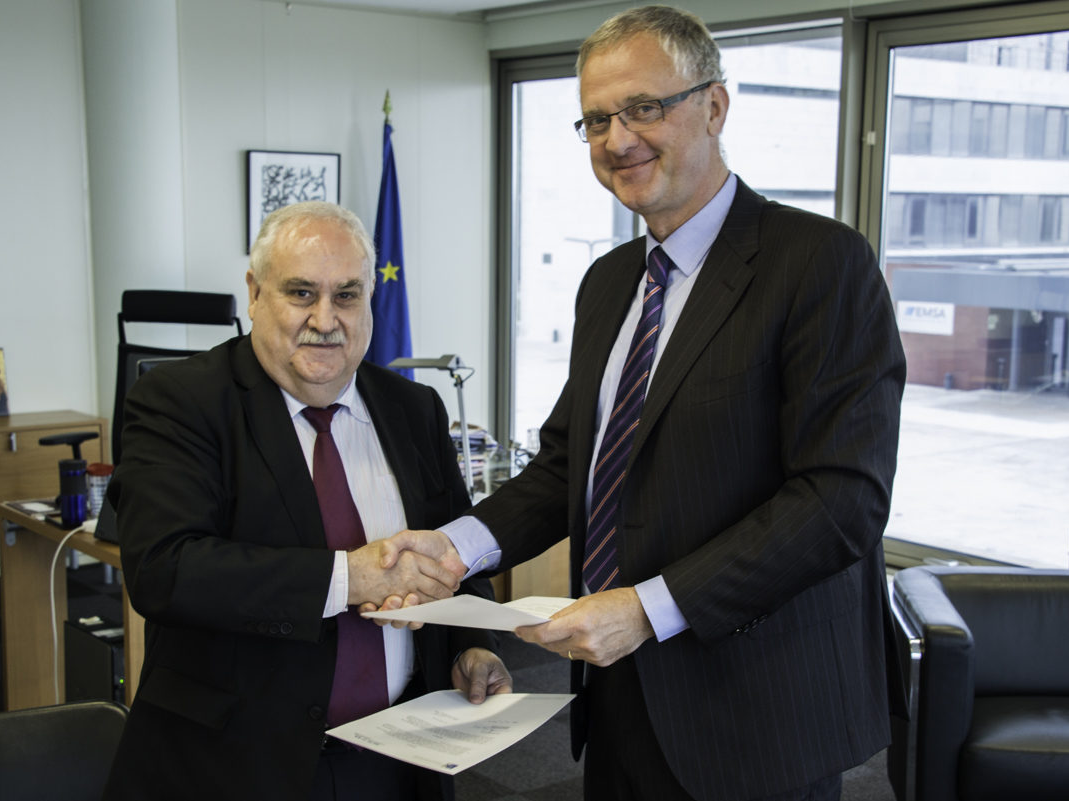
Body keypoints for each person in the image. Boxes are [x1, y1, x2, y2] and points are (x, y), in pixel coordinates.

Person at [384, 7, 906, 801]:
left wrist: (649, 608)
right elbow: (569, 464)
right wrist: (454, 550)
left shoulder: (819, 264)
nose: (617, 138)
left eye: (644, 108)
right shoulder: (609, 281)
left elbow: (840, 501)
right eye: (596, 119)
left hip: (757, 711)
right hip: (621, 699)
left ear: (715, 107)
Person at [102, 201, 510, 801]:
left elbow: (454, 555)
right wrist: (350, 578)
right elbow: (166, 570)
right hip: (235, 765)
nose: (326, 319)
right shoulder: (179, 401)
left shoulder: (413, 409)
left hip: (400, 759)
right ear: (255, 293)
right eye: (301, 293)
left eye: (347, 295)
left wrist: (472, 644)